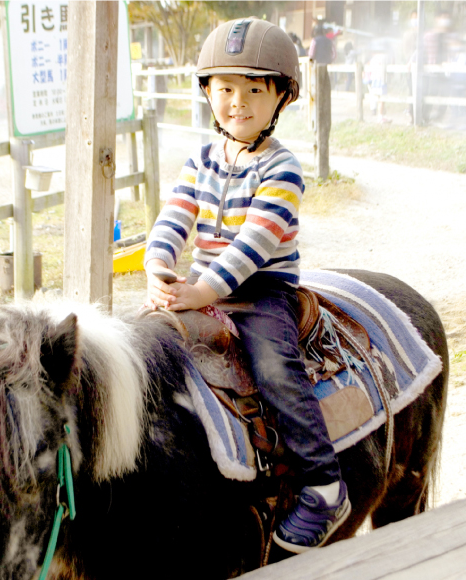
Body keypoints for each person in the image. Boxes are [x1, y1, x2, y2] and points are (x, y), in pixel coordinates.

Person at [144, 18, 351, 554]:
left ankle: (324, 486)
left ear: (281, 96)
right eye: (225, 88)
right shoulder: (201, 159)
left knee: (276, 371)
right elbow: (174, 216)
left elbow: (254, 245)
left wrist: (205, 291)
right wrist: (158, 266)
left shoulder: (283, 168)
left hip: (260, 292)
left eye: (254, 90)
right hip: (201, 286)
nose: (238, 102)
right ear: (208, 92)